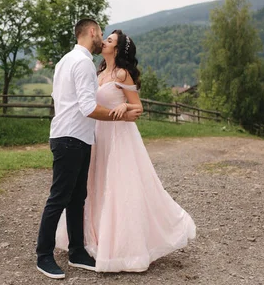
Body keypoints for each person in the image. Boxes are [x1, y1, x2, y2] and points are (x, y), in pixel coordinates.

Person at [55, 29, 196, 272]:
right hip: (96, 134)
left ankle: (123, 248)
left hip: (118, 136)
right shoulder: (98, 72)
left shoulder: (123, 73)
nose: (104, 41)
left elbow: (137, 108)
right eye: (105, 38)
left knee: (119, 188)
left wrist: (123, 105)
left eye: (109, 40)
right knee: (94, 186)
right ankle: (91, 240)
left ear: (117, 50)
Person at [36, 20, 141, 279]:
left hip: (78, 136)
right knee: (59, 197)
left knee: (76, 198)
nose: (102, 39)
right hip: (70, 137)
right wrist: (120, 116)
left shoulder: (65, 60)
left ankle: (77, 252)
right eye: (101, 34)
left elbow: (59, 98)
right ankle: (44, 256)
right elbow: (87, 107)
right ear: (92, 32)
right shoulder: (83, 62)